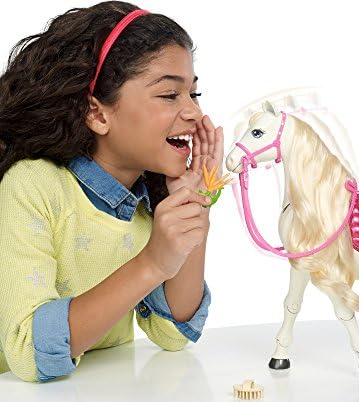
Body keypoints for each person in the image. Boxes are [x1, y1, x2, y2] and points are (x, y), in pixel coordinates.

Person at [0, 1, 223, 382]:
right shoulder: (32, 186)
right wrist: (152, 263)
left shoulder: (146, 202)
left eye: (194, 94)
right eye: (170, 94)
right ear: (98, 113)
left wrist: (195, 204)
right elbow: (28, 352)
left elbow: (173, 333)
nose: (195, 113)